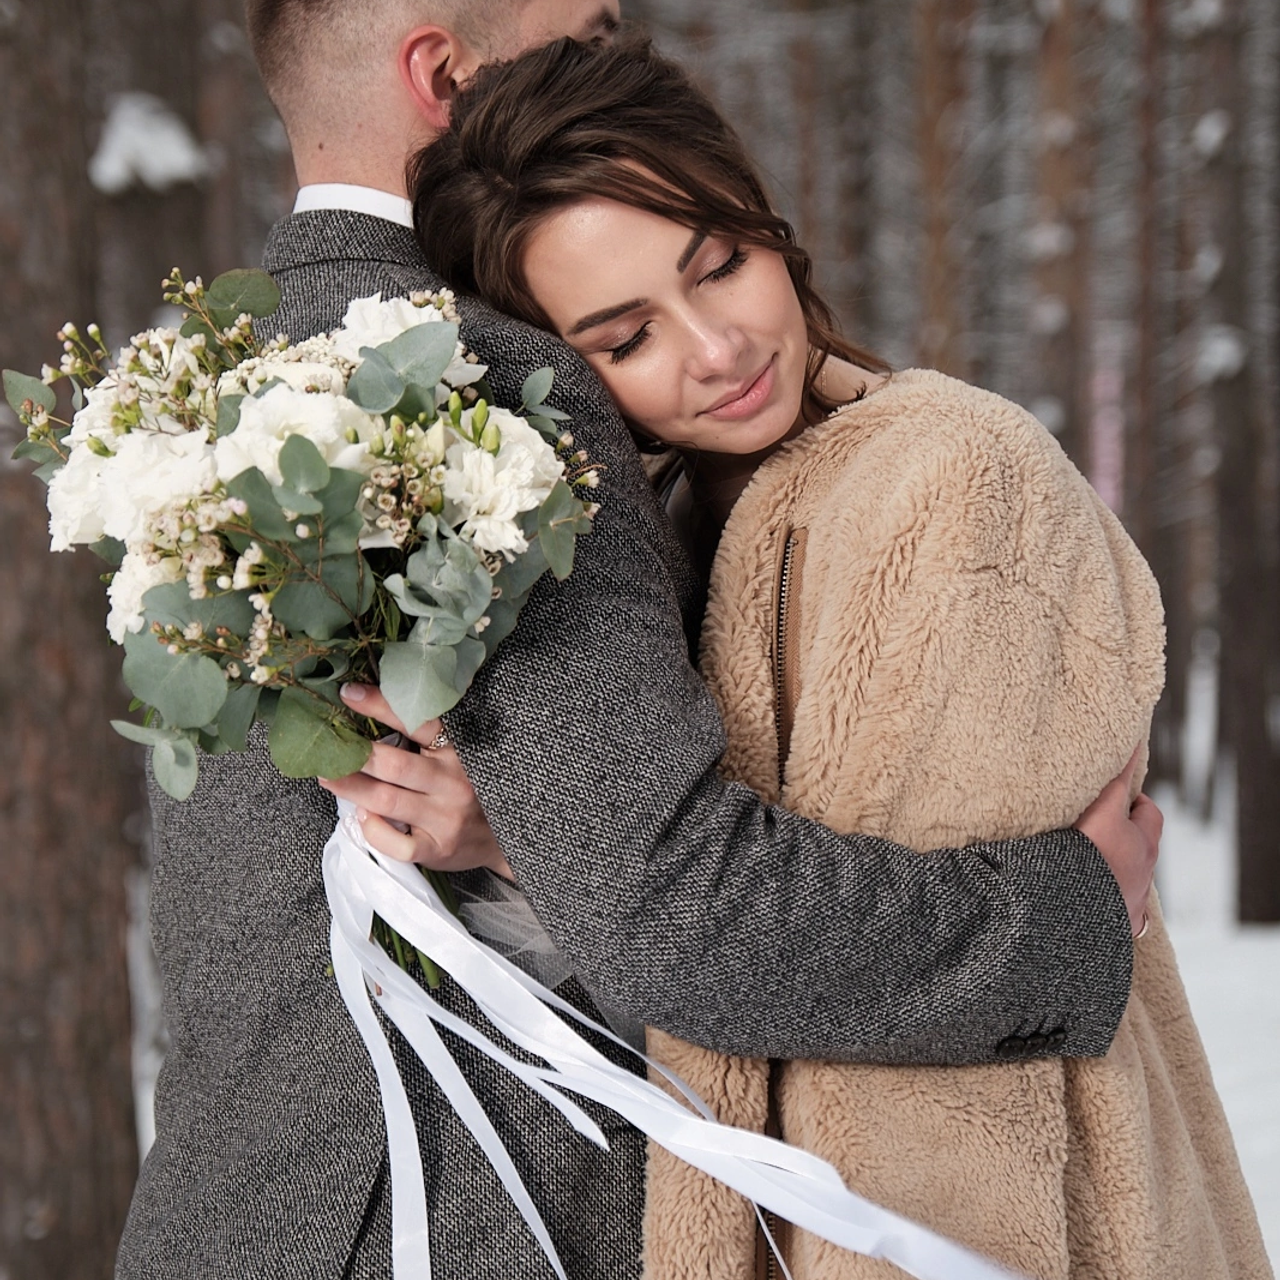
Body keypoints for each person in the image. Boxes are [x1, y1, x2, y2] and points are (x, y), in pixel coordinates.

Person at [116, 6, 1161, 1280]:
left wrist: (527, 841)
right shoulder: (476, 375)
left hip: (223, 1214)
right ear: (445, 72)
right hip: (465, 1224)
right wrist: (1065, 915)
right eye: (596, 30)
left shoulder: (217, 380)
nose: (625, 58)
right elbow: (664, 904)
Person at [405, 32, 1271, 1280]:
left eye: (720, 262)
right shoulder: (674, 536)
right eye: (626, 337)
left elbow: (926, 1072)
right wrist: (532, 835)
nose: (716, 347)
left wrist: (567, 849)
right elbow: (753, 900)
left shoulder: (949, 479)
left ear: (764, 218)